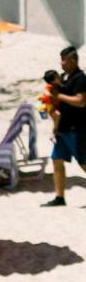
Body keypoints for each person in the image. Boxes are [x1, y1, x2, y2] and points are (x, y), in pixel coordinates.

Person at [45, 45, 86, 207]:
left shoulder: (80, 78)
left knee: (83, 163)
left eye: (64, 60)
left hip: (76, 128)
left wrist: (59, 96)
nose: (61, 63)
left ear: (73, 60)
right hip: (62, 128)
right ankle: (59, 197)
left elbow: (81, 101)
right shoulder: (64, 78)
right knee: (57, 160)